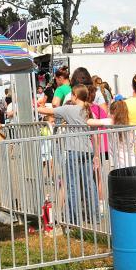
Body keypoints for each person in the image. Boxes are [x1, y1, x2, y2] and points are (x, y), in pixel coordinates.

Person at [38, 85, 99, 224]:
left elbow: (46, 110)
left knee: (72, 185)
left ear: (75, 96)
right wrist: (96, 154)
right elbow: (95, 135)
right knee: (90, 183)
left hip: (73, 150)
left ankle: (74, 218)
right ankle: (94, 216)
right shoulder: (89, 111)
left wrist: (37, 105)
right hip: (87, 151)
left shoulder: (68, 109)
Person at [87, 96, 136, 168]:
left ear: (112, 113)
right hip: (134, 165)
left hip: (119, 167)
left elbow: (89, 121)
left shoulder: (109, 122)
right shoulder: (132, 128)